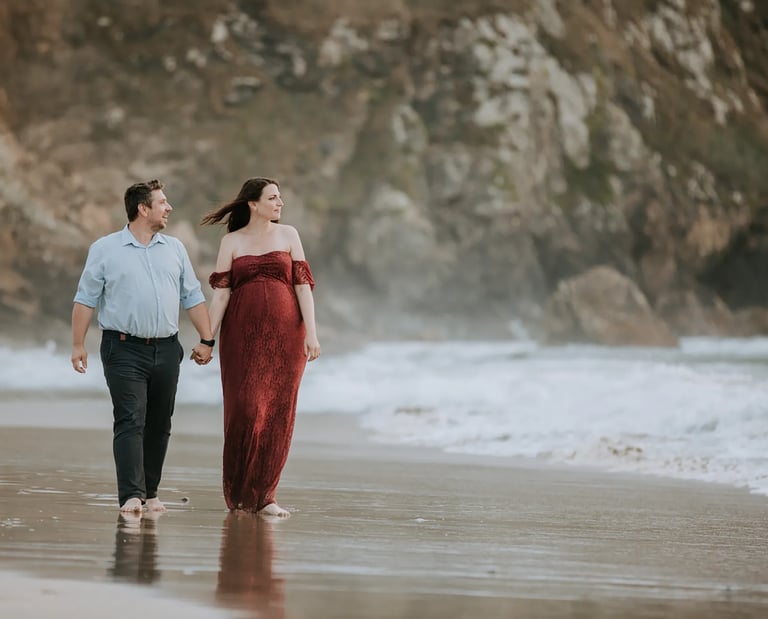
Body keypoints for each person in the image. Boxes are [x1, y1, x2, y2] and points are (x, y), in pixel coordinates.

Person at [71, 179, 215, 514]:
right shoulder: (105, 249)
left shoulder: (175, 249)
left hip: (167, 349)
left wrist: (207, 340)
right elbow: (85, 298)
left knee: (160, 424)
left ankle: (150, 494)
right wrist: (77, 344)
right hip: (122, 349)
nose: (169, 208)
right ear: (143, 208)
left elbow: (192, 297)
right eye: (162, 202)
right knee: (130, 419)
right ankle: (131, 496)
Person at [199, 177, 320, 518]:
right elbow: (221, 294)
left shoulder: (289, 235)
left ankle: (266, 496)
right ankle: (238, 495)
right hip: (241, 336)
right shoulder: (233, 241)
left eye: (280, 197)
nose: (279, 203)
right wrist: (207, 339)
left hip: (287, 336)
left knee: (278, 412)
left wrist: (311, 333)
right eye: (273, 197)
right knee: (247, 409)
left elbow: (303, 287)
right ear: (253, 203)